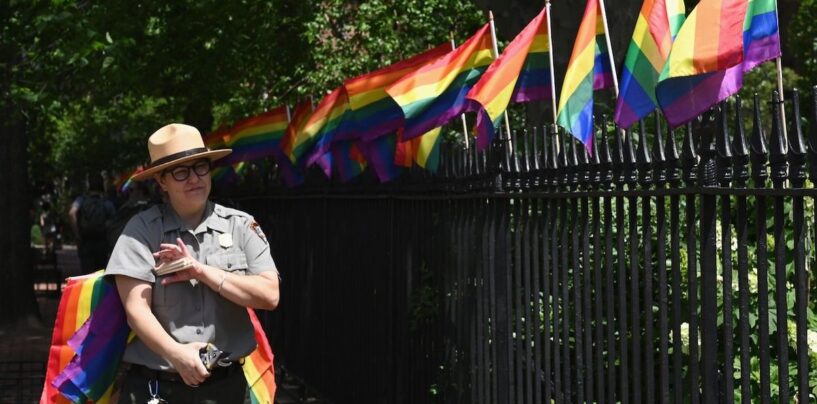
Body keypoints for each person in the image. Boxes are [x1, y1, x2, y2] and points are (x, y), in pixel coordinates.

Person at [104, 123, 280, 403]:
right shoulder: (141, 231)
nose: (194, 178)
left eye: (200, 167)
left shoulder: (241, 226)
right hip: (158, 388)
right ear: (162, 181)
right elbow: (136, 310)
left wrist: (201, 271)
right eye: (180, 172)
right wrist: (177, 355)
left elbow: (269, 296)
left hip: (227, 390)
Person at [69, 174, 116, 274]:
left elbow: (72, 213)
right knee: (100, 273)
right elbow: (113, 221)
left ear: (88, 185)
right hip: (102, 242)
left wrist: (77, 234)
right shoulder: (106, 203)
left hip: (85, 241)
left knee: (86, 272)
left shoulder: (81, 200)